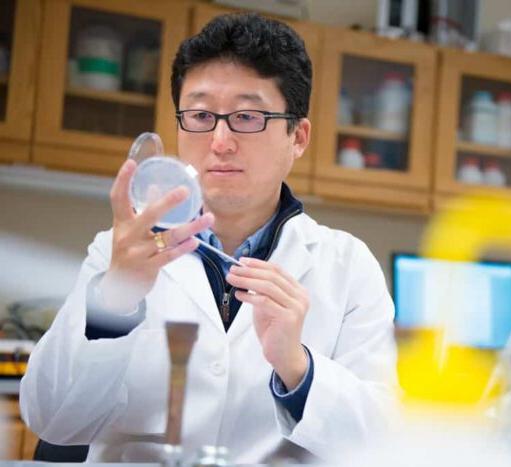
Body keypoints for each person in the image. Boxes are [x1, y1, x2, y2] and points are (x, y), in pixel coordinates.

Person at [20, 13, 398, 463]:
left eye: (246, 116)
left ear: (298, 136)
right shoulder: (121, 251)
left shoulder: (347, 265)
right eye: (200, 115)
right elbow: (52, 421)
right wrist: (115, 301)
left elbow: (381, 445)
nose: (219, 141)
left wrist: (298, 367)